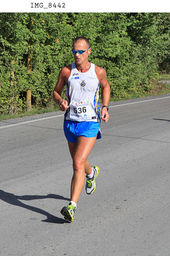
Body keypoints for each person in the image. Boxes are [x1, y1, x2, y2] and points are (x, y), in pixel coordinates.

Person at [52, 37, 110, 222]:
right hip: (70, 122)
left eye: (80, 52)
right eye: (74, 52)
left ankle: (72, 207)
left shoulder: (98, 71)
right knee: (79, 161)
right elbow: (55, 92)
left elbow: (106, 86)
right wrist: (61, 101)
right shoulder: (67, 71)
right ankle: (91, 173)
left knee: (77, 162)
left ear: (89, 52)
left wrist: (106, 107)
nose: (77, 55)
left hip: (90, 122)